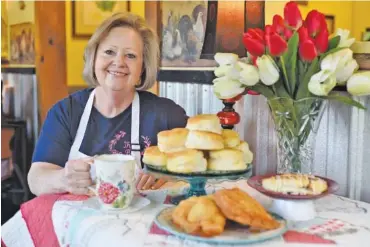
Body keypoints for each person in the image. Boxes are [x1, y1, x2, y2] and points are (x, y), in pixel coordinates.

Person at [28, 12, 188, 196]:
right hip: (77, 223)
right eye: (109, 52)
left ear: (143, 67)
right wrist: (63, 179)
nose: (118, 62)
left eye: (130, 55)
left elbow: (202, 165)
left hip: (141, 222)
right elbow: (36, 178)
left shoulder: (165, 114)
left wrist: (169, 175)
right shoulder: (66, 112)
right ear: (93, 57)